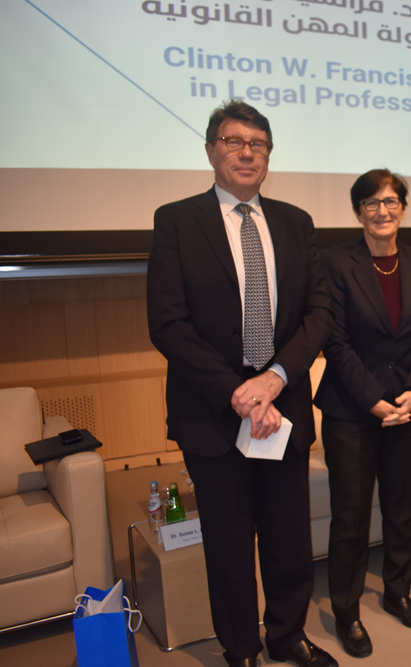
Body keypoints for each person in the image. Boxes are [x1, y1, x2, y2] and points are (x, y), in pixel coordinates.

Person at [147, 100, 336, 667]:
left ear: (269, 155)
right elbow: (168, 324)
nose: (247, 152)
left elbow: (320, 313)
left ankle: (287, 636)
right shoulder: (176, 221)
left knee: (288, 539)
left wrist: (274, 379)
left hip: (284, 408)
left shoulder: (296, 223)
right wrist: (237, 391)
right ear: (211, 150)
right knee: (228, 547)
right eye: (234, 142)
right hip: (212, 414)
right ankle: (241, 648)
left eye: (258, 143)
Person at [313, 170, 411, 658]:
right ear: (357, 211)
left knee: (401, 506)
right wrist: (372, 399)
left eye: (390, 202)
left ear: (403, 208)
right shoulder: (334, 263)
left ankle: (397, 591)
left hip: (408, 404)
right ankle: (347, 612)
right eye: (371, 203)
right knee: (350, 515)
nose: (382, 211)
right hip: (351, 408)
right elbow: (334, 340)